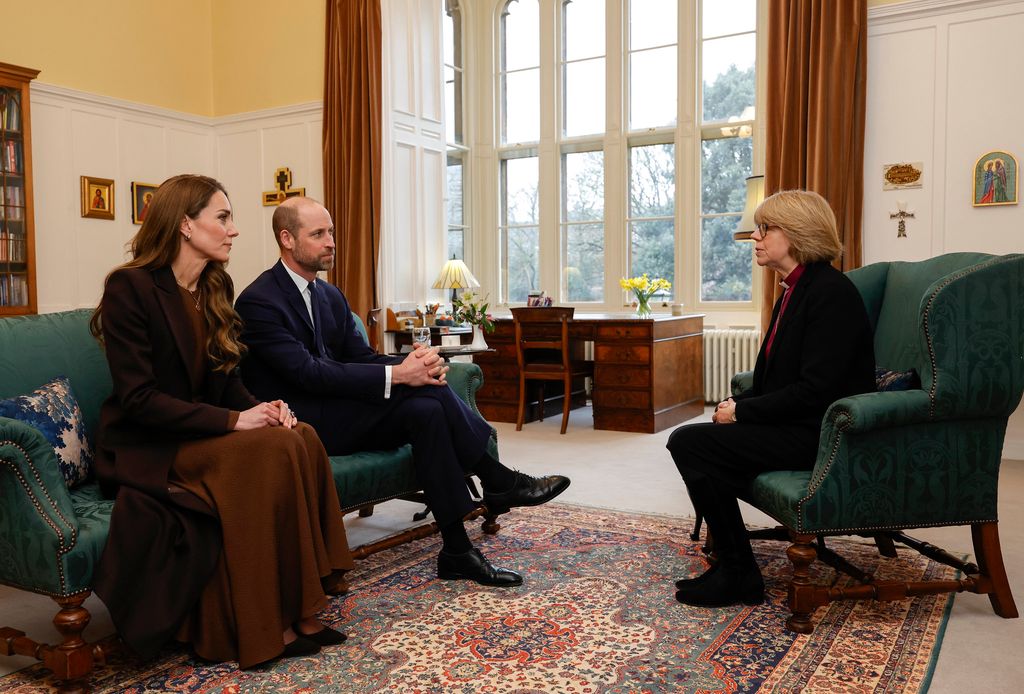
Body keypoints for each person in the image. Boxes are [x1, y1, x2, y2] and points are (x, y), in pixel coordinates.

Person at [235, 196, 570, 587]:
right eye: (319, 234)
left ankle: (458, 551)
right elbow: (309, 374)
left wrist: (412, 366)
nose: (331, 241)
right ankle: (499, 481)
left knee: (426, 407)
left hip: (344, 409)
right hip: (303, 423)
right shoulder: (259, 300)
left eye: (331, 232)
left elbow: (359, 356)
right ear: (287, 239)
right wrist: (399, 377)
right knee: (420, 395)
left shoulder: (328, 295)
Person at [89, 175, 352, 668]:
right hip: (149, 444)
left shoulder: (213, 285)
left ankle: (302, 607)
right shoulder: (131, 287)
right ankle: (264, 624)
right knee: (268, 449)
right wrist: (235, 422)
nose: (233, 231)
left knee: (297, 435)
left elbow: (225, 378)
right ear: (186, 224)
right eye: (223, 218)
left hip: (200, 431)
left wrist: (265, 409)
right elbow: (141, 400)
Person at [666, 189, 875, 608]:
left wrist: (743, 411)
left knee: (689, 444)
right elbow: (777, 377)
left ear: (797, 234)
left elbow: (818, 391)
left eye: (766, 229)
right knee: (701, 446)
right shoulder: (796, 289)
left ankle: (738, 572)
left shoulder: (831, 293)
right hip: (794, 424)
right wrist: (734, 404)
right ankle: (734, 568)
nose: (755, 238)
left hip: (819, 433)